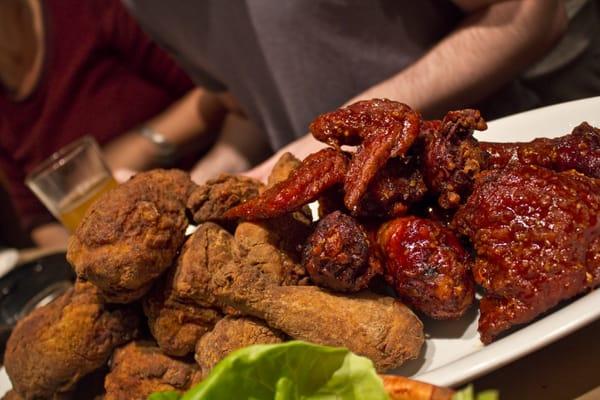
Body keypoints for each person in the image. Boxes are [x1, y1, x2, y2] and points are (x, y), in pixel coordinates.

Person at [120, 0, 597, 182]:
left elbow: (529, 14)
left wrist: (331, 136)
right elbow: (245, 105)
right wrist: (207, 182)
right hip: (344, 232)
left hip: (497, 172)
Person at [0, 0, 266, 248]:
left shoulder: (84, 9)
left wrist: (143, 145)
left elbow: (222, 90)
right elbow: (38, 218)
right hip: (129, 249)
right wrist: (87, 258)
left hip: (222, 182)